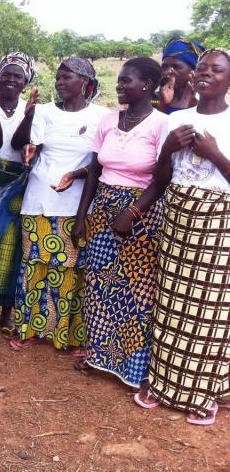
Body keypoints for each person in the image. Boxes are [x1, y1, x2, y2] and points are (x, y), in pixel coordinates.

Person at [134, 48, 230, 426]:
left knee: (209, 311)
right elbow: (161, 177)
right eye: (202, 68)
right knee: (171, 305)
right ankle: (162, 384)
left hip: (218, 224)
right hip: (177, 219)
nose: (206, 74)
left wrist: (215, 153)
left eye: (216, 70)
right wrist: (169, 148)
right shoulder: (179, 118)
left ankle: (203, 393)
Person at [72, 58, 167, 386]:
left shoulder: (160, 124)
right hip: (103, 209)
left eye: (127, 80)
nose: (120, 85)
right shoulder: (109, 121)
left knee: (135, 289)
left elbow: (162, 178)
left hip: (142, 212)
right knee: (98, 284)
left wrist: (132, 213)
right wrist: (82, 216)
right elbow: (95, 170)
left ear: (148, 86)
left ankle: (133, 366)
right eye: (120, 80)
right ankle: (97, 355)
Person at [12, 57, 109, 352]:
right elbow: (26, 145)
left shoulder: (101, 116)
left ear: (86, 83)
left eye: (67, 77)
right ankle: (29, 329)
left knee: (70, 271)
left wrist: (76, 175)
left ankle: (69, 334)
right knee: (35, 267)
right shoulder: (43, 112)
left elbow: (98, 164)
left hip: (75, 206)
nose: (60, 82)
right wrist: (29, 126)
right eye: (58, 77)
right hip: (38, 200)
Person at [0, 52, 39, 335]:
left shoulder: (33, 108)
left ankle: (6, 313)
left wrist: (30, 116)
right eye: (7, 74)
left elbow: (17, 143)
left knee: (10, 247)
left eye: (18, 76)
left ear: (26, 82)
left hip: (15, 185)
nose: (12, 79)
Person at [156, 37, 205, 114]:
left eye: (176, 67)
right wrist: (162, 105)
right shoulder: (153, 99)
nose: (168, 71)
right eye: (164, 66)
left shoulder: (204, 102)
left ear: (193, 71)